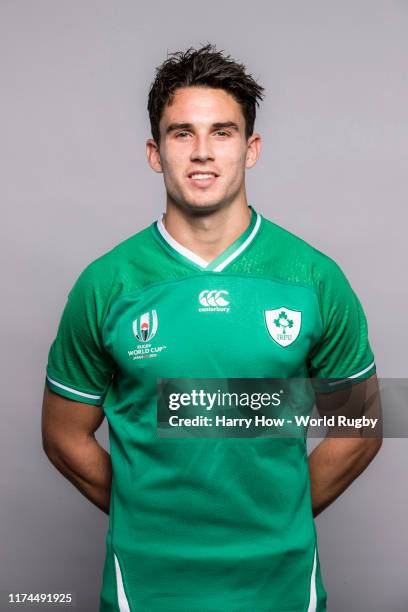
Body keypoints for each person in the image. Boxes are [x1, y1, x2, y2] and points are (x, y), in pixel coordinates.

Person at [42, 43, 382, 612]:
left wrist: (281, 510)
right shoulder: (107, 284)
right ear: (155, 152)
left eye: (222, 133)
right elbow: (62, 434)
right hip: (146, 588)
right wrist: (143, 512)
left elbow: (360, 424)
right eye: (182, 134)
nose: (202, 153)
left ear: (251, 149)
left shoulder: (314, 279)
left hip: (281, 585)